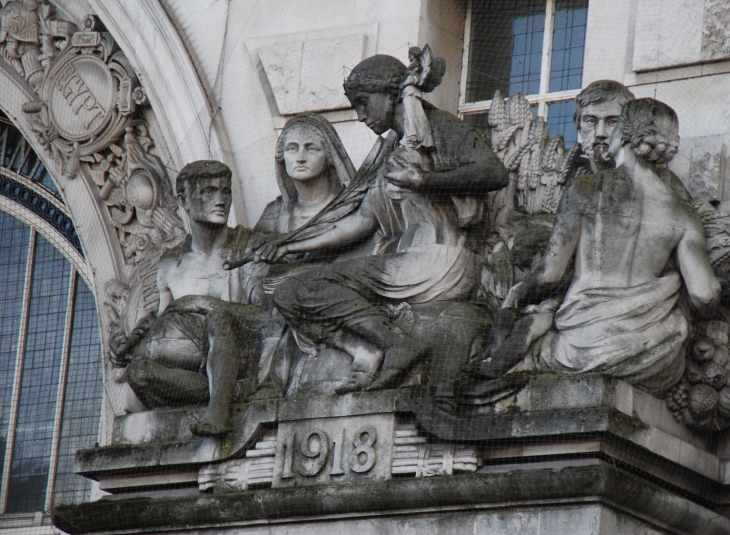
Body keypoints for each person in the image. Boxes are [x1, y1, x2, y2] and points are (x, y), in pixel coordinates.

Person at [251, 52, 508, 392]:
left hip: (439, 261)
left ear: (390, 93)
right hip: (406, 261)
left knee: (309, 288)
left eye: (363, 103)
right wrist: (287, 245)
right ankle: (370, 349)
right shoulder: (391, 146)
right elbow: (359, 222)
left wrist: (424, 181)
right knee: (288, 292)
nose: (359, 116)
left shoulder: (441, 128)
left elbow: (494, 172)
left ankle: (393, 345)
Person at [470, 99, 721, 394]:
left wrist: (517, 293)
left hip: (581, 345)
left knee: (527, 333)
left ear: (623, 135)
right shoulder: (684, 213)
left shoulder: (587, 190)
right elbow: (705, 294)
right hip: (651, 350)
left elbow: (550, 274)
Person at [109, 161, 272, 436]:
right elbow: (163, 325)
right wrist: (129, 345)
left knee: (218, 318)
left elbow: (266, 316)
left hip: (240, 355)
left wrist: (199, 303)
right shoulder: (170, 264)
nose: (220, 200)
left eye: (225, 191)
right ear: (184, 200)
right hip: (189, 373)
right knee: (139, 372)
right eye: (209, 192)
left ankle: (219, 411)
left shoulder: (248, 247)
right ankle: (227, 391)